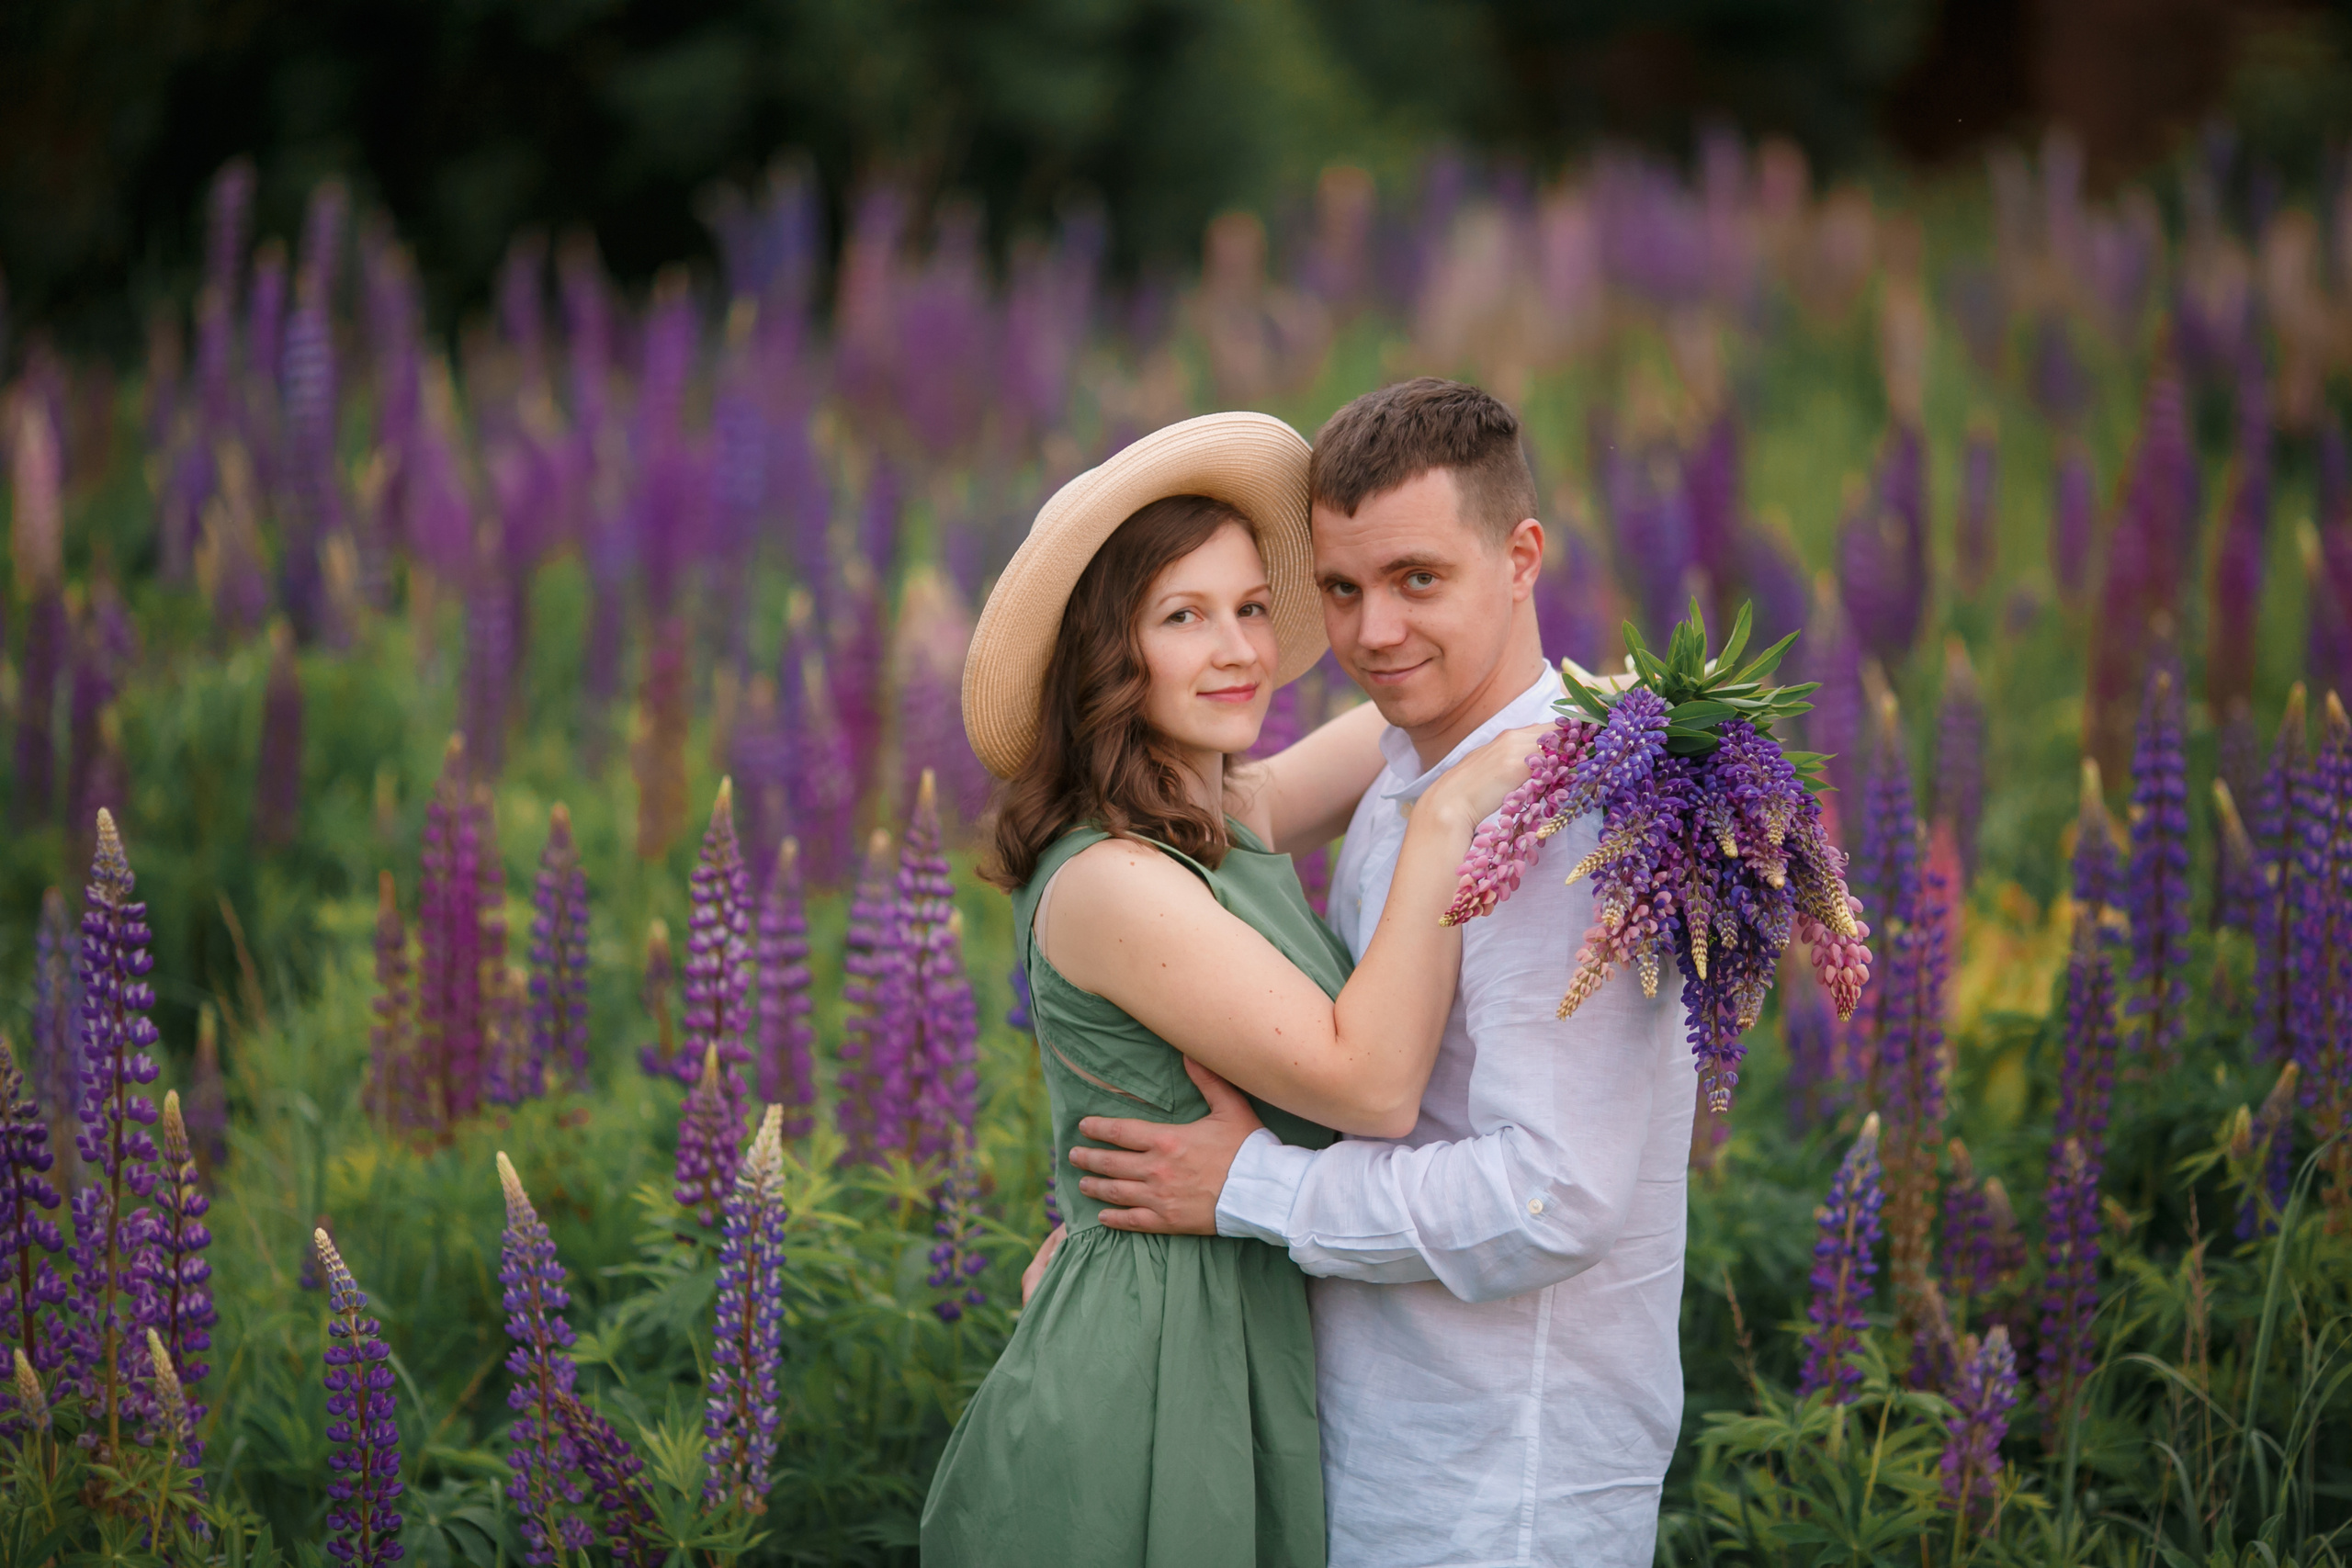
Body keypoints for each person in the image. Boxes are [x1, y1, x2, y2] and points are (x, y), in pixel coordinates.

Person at [1064, 378, 1698, 1567]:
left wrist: (1252, 1187)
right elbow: (1214, 806)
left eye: (1419, 580)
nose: (1374, 633)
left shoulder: (1563, 817)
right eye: (1342, 591)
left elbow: (1552, 1195)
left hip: (1503, 1483)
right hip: (1391, 1444)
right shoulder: (1424, 763)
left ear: (1521, 558)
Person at [921, 411, 1543, 1567]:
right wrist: (1450, 816)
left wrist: (1649, 711)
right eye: (1183, 618)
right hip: (1152, 1366)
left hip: (1236, 1322)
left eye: (1253, 608)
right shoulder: (1115, 879)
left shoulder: (1215, 819)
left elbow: (1428, 709)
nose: (1241, 650)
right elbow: (1371, 1084)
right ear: (1110, 656)